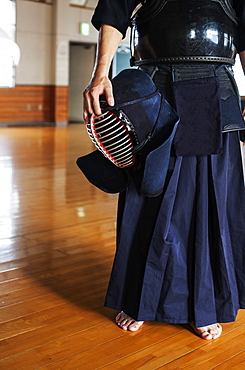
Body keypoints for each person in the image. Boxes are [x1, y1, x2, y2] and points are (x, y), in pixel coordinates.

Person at [83, 0, 245, 340]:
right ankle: (140, 299)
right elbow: (114, 11)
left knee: (203, 204)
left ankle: (202, 303)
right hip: (154, 90)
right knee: (148, 195)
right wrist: (100, 74)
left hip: (213, 91)